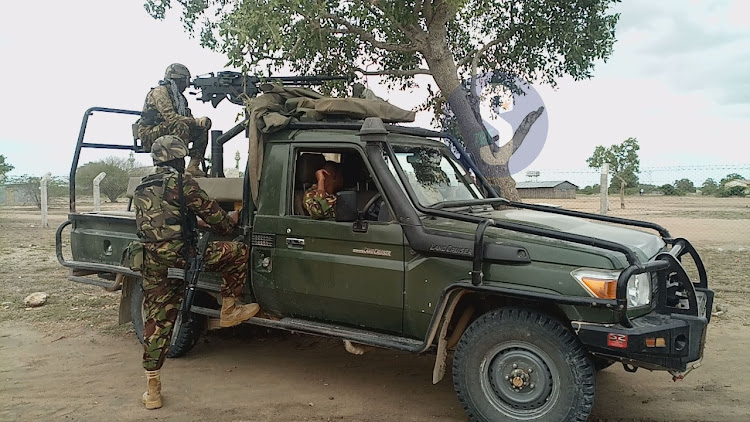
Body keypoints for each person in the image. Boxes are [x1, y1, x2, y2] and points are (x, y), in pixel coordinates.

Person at [133, 135, 260, 409]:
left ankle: (152, 389)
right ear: (179, 158)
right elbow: (215, 217)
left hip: (151, 260)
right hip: (182, 258)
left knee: (157, 320)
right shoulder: (182, 182)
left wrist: (192, 223)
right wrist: (229, 223)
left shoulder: (143, 186)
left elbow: (162, 221)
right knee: (238, 252)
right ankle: (230, 307)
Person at [136, 63, 212, 177]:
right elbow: (171, 118)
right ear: (178, 80)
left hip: (166, 130)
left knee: (200, 129)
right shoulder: (160, 92)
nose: (186, 85)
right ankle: (178, 164)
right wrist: (196, 121)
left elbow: (188, 119)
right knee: (179, 125)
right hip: (149, 132)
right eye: (185, 81)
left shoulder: (180, 98)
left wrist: (200, 123)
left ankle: (193, 166)